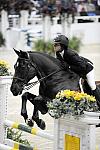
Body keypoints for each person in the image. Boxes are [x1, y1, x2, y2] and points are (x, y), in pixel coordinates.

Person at [53, 34, 100, 108]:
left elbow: (82, 67)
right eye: (54, 44)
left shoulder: (70, 54)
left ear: (62, 45)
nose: (54, 46)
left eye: (56, 44)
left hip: (87, 69)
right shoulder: (58, 53)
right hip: (76, 70)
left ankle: (99, 103)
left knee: (92, 86)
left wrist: (69, 67)